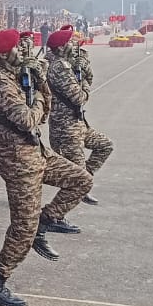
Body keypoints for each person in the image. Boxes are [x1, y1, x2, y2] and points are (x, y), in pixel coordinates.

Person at [0, 29, 93, 306]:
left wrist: (40, 83)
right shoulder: (1, 85)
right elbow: (30, 119)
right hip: (20, 165)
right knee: (23, 230)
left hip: (37, 155)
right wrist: (40, 99)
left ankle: (48, 220)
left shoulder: (19, 79)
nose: (22, 52)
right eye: (17, 48)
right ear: (5, 55)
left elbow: (46, 109)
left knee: (81, 180)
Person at [46, 28, 113, 208]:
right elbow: (79, 97)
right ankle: (53, 215)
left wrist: (83, 69)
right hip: (66, 128)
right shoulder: (59, 67)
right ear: (60, 48)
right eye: (69, 42)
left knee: (105, 145)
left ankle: (85, 181)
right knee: (76, 177)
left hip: (78, 125)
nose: (73, 45)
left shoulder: (66, 63)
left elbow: (87, 81)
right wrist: (81, 80)